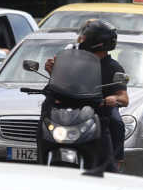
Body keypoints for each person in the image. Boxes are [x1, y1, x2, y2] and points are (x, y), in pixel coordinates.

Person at [45, 19, 129, 171]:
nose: (82, 39)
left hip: (99, 112)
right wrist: (52, 71)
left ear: (97, 41)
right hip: (73, 111)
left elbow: (124, 98)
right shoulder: (75, 61)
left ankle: (115, 161)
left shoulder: (113, 67)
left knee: (116, 121)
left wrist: (113, 99)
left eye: (86, 36)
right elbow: (62, 84)